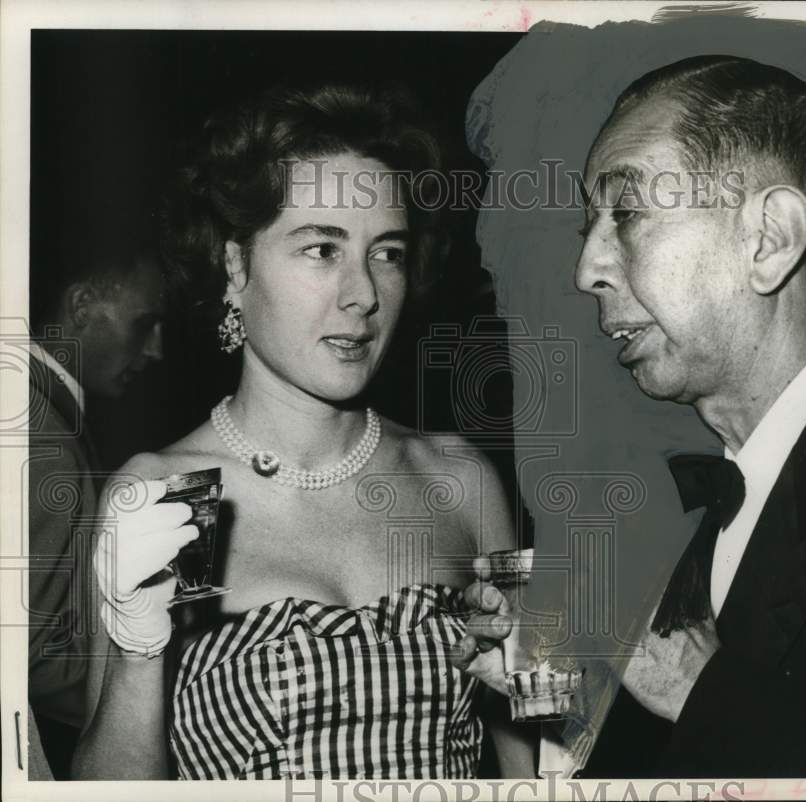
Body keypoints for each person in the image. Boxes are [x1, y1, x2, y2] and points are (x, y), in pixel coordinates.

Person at [456, 55, 806, 777]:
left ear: (769, 239)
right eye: (589, 226)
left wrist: (704, 694)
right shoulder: (718, 503)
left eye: (628, 212)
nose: (588, 270)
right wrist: (557, 692)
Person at [71, 82, 533, 780]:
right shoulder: (171, 494)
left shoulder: (458, 479)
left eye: (388, 253)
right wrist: (141, 655)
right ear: (235, 266)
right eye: (322, 248)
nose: (364, 294)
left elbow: (531, 772)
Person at [28, 217, 166, 778]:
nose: (157, 350)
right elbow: (30, 659)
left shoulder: (48, 415)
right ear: (82, 307)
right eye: (146, 323)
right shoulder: (43, 439)